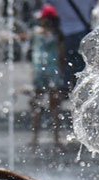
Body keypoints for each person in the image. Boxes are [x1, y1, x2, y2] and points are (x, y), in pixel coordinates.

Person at [29, 4, 65, 149]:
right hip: (53, 72)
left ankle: (35, 139)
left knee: (37, 106)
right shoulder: (58, 35)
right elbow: (61, 56)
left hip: (39, 72)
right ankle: (56, 139)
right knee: (55, 107)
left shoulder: (37, 33)